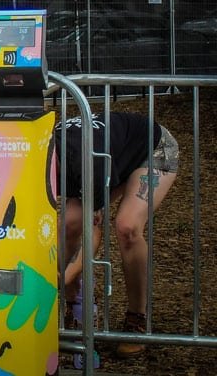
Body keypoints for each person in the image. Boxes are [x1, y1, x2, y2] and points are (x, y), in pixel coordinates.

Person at [57, 109, 179, 358]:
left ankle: (136, 319)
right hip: (114, 155)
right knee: (70, 221)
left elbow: (93, 232)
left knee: (127, 226)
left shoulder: (87, 162)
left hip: (152, 151)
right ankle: (75, 306)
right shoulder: (45, 152)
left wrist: (62, 277)